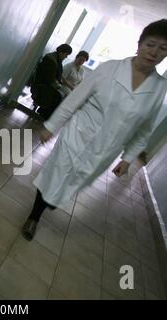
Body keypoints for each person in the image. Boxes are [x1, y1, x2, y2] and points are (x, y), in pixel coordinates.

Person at [22, 19, 167, 241]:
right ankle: (34, 217)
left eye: (163, 48)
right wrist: (51, 126)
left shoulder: (158, 89)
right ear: (139, 44)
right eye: (151, 44)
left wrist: (128, 158)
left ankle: (48, 202)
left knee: (70, 184)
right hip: (77, 135)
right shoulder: (109, 68)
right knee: (54, 176)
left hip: (104, 150)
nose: (154, 52)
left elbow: (145, 130)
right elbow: (75, 99)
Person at [30, 44, 72, 119]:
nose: (66, 57)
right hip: (42, 85)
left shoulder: (56, 59)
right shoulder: (51, 60)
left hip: (48, 84)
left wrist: (59, 85)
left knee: (60, 95)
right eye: (66, 55)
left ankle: (44, 113)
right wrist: (59, 86)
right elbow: (49, 78)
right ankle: (45, 115)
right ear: (61, 52)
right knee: (58, 97)